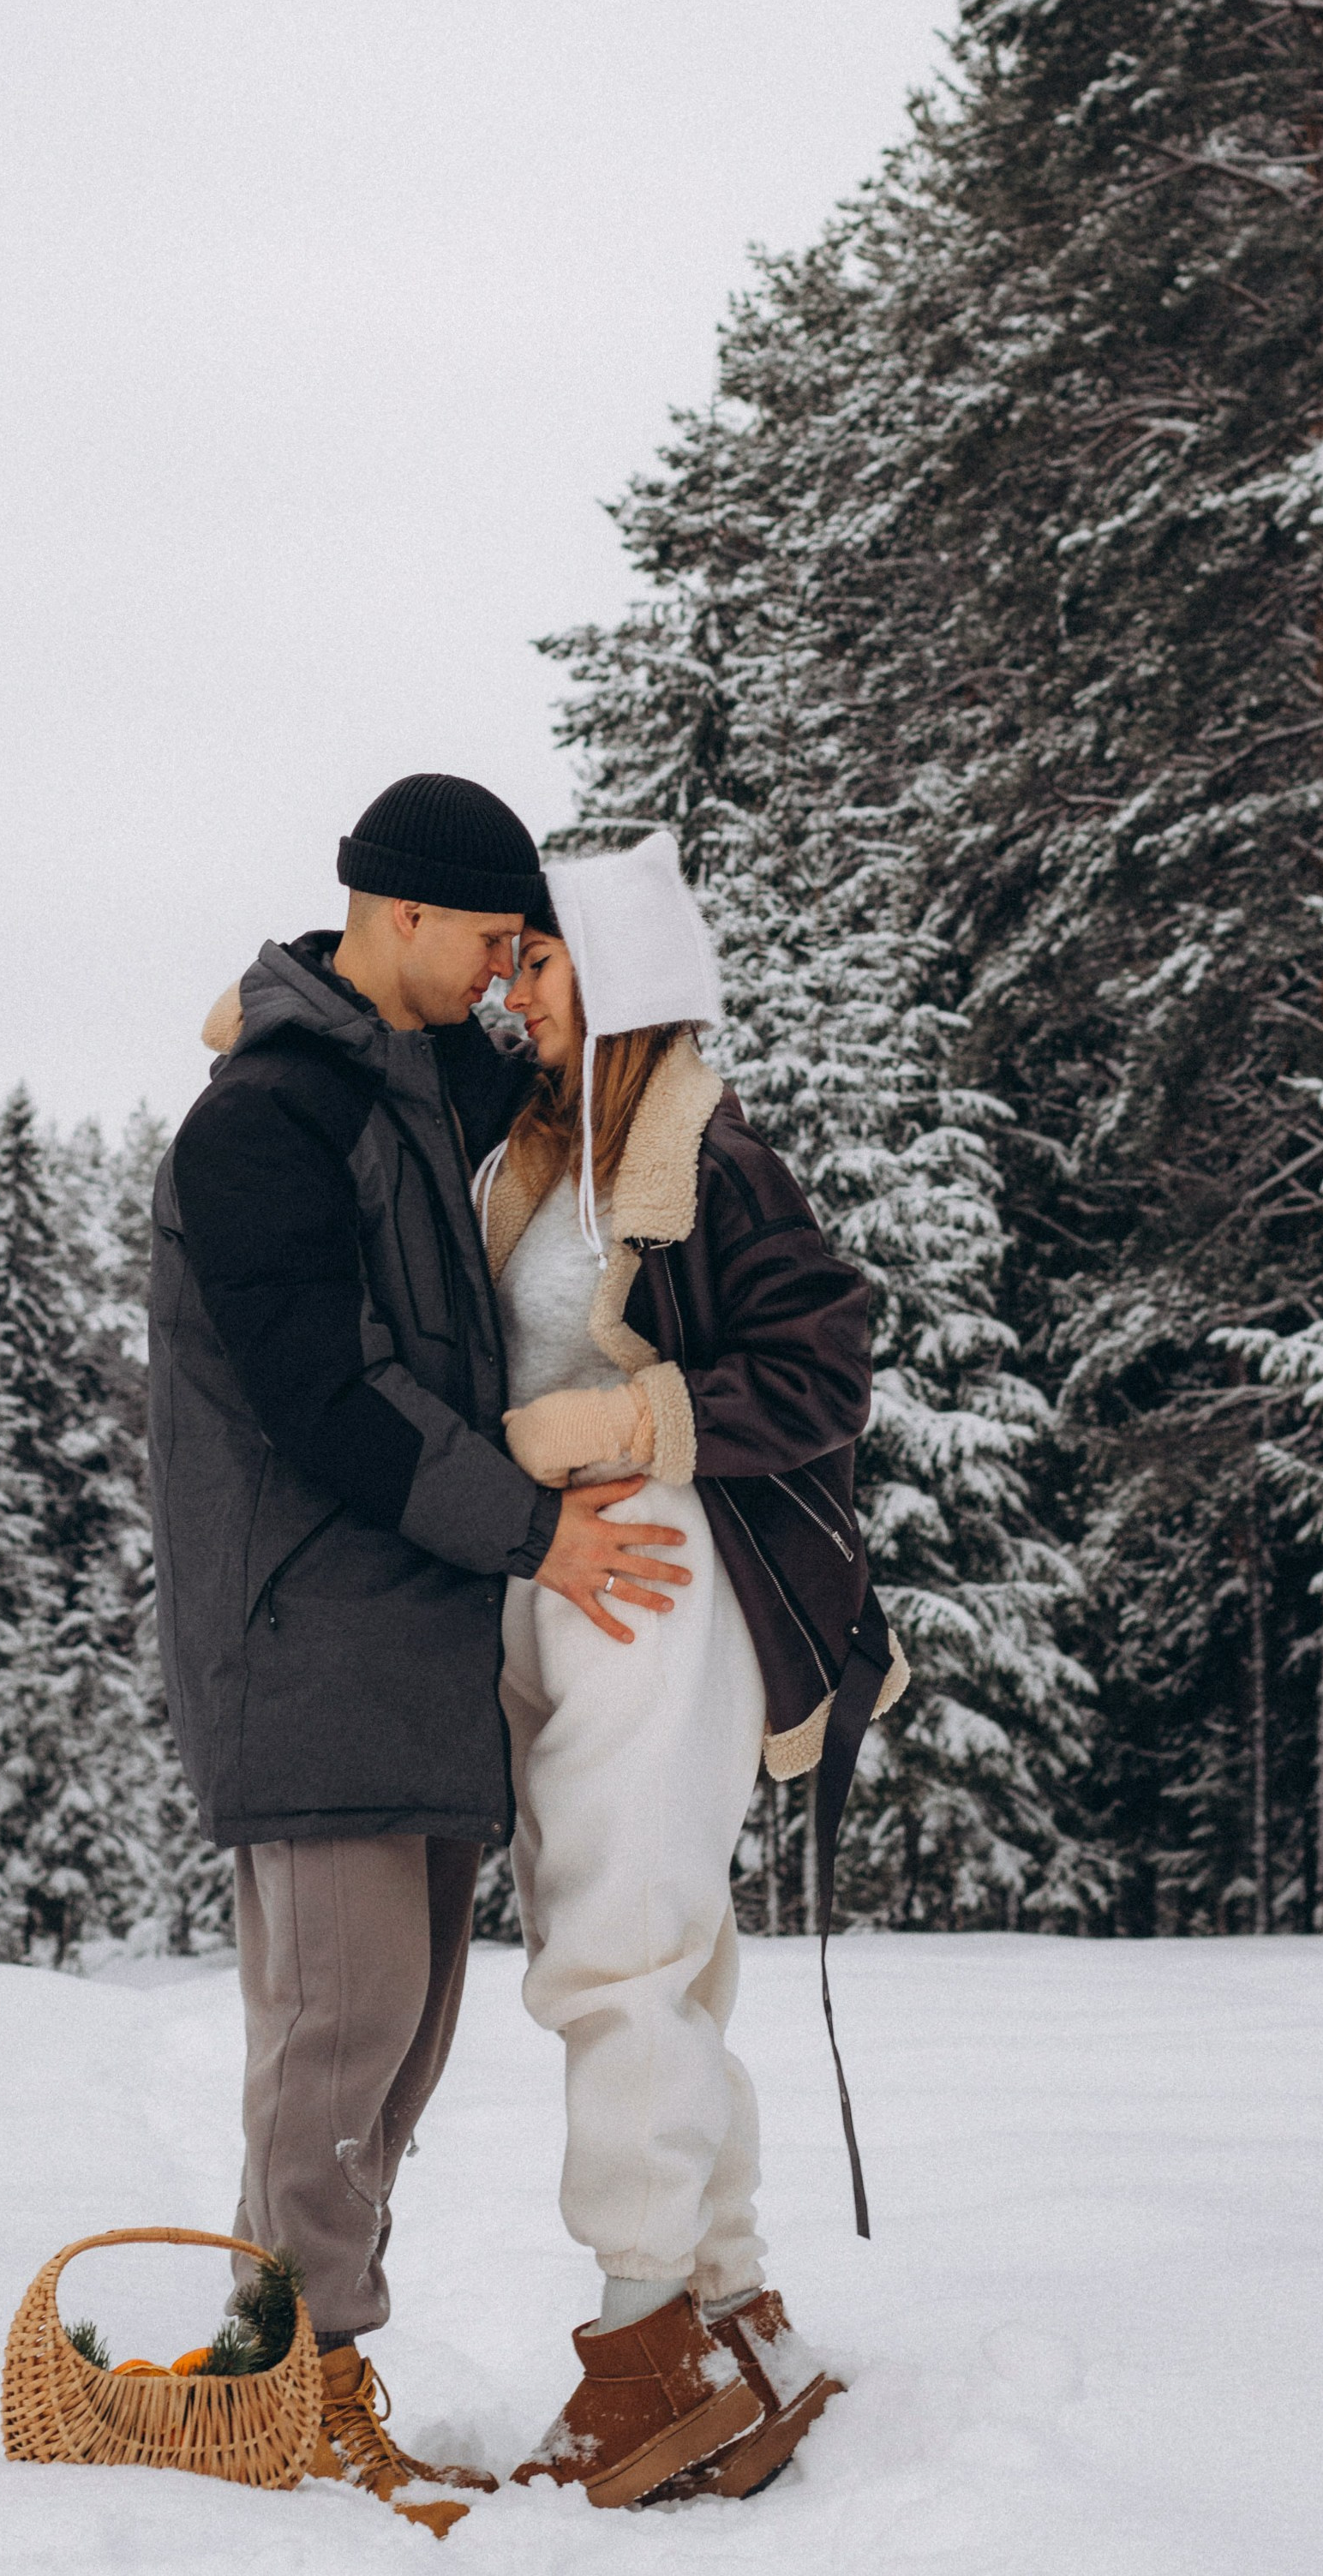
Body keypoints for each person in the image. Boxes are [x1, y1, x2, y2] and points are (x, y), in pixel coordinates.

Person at [149, 774, 691, 2537]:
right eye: (491, 941)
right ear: (401, 915)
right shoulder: (263, 1130)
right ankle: (283, 2392)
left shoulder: (401, 1080)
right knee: (339, 2033)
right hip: (307, 1633)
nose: (507, 978)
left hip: (407, 1636)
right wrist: (537, 1528)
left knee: (399, 2040)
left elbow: (580, 1050)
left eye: (528, 949)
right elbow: (330, 1401)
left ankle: (292, 2379)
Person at [478, 830, 907, 2510]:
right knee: (660, 1942)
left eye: (541, 959)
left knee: (620, 1947)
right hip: (571, 1588)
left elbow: (824, 1360)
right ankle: (728, 2311)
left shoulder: (705, 1151)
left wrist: (625, 1420)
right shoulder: (548, 1149)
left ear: (619, 973)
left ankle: (646, 2344)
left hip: (658, 1580)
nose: (512, 988)